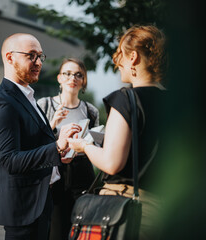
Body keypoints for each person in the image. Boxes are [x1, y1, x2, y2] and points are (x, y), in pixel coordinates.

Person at [67, 25, 167, 240]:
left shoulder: (126, 99)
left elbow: (112, 163)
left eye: (119, 53)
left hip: (127, 211)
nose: (116, 61)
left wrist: (85, 146)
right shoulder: (177, 102)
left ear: (133, 57)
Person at [0, 33, 81, 240]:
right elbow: (9, 160)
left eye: (40, 57)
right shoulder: (3, 102)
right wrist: (56, 146)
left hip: (41, 200)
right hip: (23, 209)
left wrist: (60, 154)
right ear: (10, 58)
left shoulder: (26, 96)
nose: (38, 62)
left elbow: (33, 143)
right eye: (31, 56)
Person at [37, 58, 99, 240]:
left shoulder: (90, 110)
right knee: (57, 230)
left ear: (83, 80)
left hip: (83, 172)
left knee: (83, 230)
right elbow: (35, 143)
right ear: (59, 78)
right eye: (68, 73)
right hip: (55, 174)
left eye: (78, 74)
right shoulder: (45, 105)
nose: (73, 78)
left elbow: (96, 144)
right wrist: (53, 123)